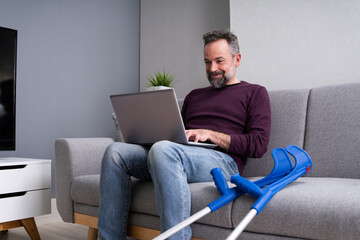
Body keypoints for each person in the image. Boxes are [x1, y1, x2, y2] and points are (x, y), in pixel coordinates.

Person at [98, 29, 271, 240]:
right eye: (207, 62)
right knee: (115, 151)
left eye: (219, 61)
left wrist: (210, 134)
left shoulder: (255, 93)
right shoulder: (194, 96)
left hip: (223, 162)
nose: (213, 69)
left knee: (164, 150)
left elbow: (259, 144)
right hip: (177, 154)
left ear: (238, 59)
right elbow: (175, 132)